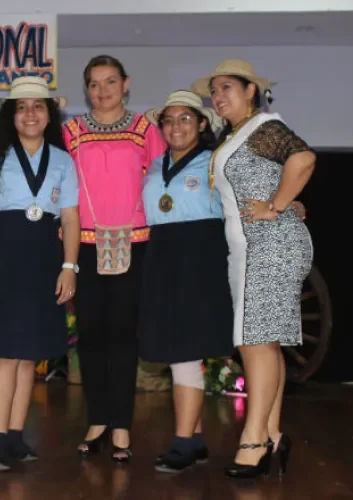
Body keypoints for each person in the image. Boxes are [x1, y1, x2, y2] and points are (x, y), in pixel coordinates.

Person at [191, 59, 316, 479]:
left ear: (251, 91)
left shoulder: (264, 127)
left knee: (255, 342)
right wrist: (283, 203)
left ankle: (255, 439)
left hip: (268, 244)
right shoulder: (239, 134)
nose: (218, 96)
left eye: (227, 87)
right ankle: (274, 433)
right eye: (214, 90)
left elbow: (304, 160)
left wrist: (277, 206)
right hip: (255, 245)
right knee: (264, 343)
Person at [0, 76, 81, 471]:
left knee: (27, 355)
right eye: (22, 107)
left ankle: (16, 437)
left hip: (44, 258)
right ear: (11, 116)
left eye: (38, 106)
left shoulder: (63, 160)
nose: (30, 114)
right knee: (2, 352)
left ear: (49, 113)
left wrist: (69, 267)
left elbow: (69, 217)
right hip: (1, 256)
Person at [62, 55, 166, 462]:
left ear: (126, 84)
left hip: (135, 241)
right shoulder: (71, 131)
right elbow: (63, 189)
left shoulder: (145, 130)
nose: (102, 91)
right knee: (89, 334)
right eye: (94, 83)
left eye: (110, 82)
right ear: (86, 88)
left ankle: (121, 423)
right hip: (84, 243)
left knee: (123, 334)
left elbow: (161, 181)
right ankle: (98, 418)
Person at [138, 90, 235, 473]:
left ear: (201, 124)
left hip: (201, 256)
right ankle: (194, 441)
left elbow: (245, 202)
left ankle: (181, 444)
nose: (175, 126)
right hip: (161, 254)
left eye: (184, 118)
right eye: (169, 120)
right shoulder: (154, 165)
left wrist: (287, 204)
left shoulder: (216, 162)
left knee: (186, 349)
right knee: (180, 349)